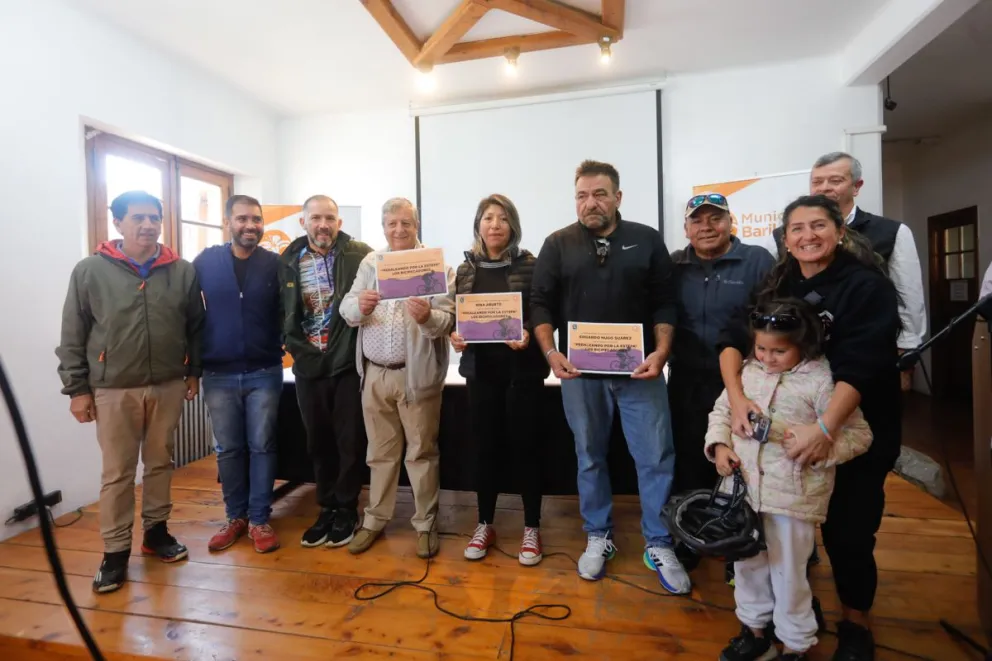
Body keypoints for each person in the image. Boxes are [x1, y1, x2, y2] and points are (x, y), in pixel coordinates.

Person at [720, 195, 902, 661]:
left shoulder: (866, 286)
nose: (807, 236)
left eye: (818, 226)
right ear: (784, 238)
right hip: (779, 457)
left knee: (850, 532)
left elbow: (864, 364)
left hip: (849, 424)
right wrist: (738, 399)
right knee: (775, 546)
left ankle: (856, 624)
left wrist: (825, 428)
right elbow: (733, 339)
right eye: (796, 228)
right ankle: (784, 620)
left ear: (840, 230)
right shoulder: (776, 281)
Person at [530, 159, 690, 593]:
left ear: (618, 197)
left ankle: (658, 541)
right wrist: (550, 352)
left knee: (656, 457)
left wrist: (661, 352)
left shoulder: (646, 239)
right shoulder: (557, 243)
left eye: (600, 194)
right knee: (590, 455)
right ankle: (598, 534)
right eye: (582, 195)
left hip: (642, 373)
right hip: (580, 375)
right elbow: (540, 304)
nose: (590, 202)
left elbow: (664, 301)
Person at [706, 299, 872, 661]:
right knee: (747, 566)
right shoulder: (747, 373)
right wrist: (719, 446)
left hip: (794, 502)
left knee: (789, 575)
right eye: (761, 348)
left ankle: (796, 644)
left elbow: (860, 434)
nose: (767, 357)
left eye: (779, 351)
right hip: (745, 495)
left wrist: (822, 448)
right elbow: (721, 411)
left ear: (804, 343)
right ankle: (754, 632)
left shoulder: (822, 381)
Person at [56, 190, 203, 594]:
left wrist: (194, 372)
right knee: (118, 473)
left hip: (169, 383)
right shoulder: (90, 271)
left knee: (159, 462)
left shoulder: (182, 271)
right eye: (138, 218)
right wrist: (77, 389)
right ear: (117, 223)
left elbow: (195, 326)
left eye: (154, 218)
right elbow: (73, 333)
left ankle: (156, 533)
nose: (148, 225)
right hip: (112, 388)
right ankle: (115, 551)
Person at [340, 197, 455, 558]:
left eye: (406, 223)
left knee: (421, 453)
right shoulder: (371, 263)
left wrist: (426, 318)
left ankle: (425, 524)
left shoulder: (437, 267)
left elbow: (448, 322)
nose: (399, 230)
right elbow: (346, 308)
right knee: (380, 453)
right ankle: (375, 519)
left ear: (416, 225)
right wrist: (359, 307)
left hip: (416, 376)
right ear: (383, 226)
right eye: (392, 224)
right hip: (374, 375)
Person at [449, 194, 549, 565]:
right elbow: (460, 318)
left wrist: (526, 330)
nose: (494, 225)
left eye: (502, 219)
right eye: (488, 218)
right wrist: (455, 335)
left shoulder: (531, 264)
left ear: (513, 227)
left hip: (522, 373)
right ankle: (485, 522)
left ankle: (532, 527)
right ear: (478, 225)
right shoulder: (465, 269)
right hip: (481, 373)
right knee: (483, 449)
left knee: (526, 448)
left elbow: (541, 311)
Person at [772, 152, 926, 390]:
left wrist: (907, 352)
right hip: (807, 354)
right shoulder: (785, 235)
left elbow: (909, 296)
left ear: (856, 186)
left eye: (835, 180)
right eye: (817, 181)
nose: (824, 188)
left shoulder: (892, 232)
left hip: (870, 349)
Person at [280, 195, 373, 548]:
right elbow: (282, 309)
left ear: (339, 222)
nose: (323, 224)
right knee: (317, 440)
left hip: (346, 362)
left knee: (349, 441)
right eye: (316, 218)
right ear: (303, 222)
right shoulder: (288, 258)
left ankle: (347, 507)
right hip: (307, 363)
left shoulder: (360, 253)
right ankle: (327, 506)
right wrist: (291, 344)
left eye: (330, 218)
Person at [670, 192, 775, 497]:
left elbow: (774, 319)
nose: (707, 226)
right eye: (697, 221)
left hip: (745, 382)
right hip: (686, 381)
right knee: (689, 458)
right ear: (686, 229)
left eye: (716, 218)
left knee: (744, 457)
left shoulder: (757, 261)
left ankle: (743, 534)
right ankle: (691, 531)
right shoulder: (673, 265)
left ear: (730, 223)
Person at [195, 195, 283, 555]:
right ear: (227, 222)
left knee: (262, 447)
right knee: (228, 450)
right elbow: (187, 314)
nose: (251, 226)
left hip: (265, 371)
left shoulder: (275, 264)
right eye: (243, 219)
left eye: (257, 220)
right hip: (217, 372)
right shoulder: (204, 262)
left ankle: (259, 519)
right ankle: (235, 517)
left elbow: (288, 313)